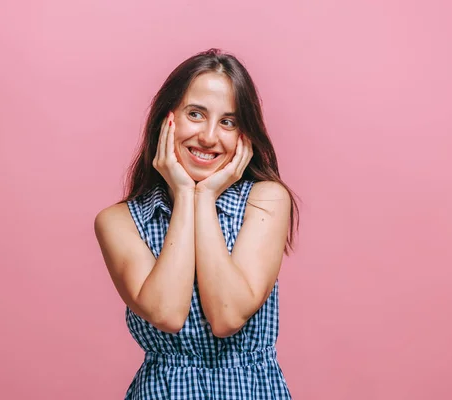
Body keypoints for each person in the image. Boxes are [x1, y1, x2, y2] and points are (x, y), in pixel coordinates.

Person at [94, 48, 299, 399]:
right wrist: (185, 195)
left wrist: (204, 197)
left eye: (228, 122)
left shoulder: (266, 200)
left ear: (243, 135)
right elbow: (167, 312)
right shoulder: (119, 222)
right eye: (195, 114)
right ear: (166, 119)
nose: (208, 136)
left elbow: (227, 315)